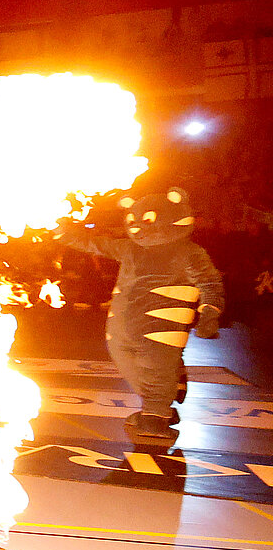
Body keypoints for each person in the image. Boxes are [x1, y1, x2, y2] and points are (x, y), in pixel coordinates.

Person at [59, 186, 225, 444]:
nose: (137, 227)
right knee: (131, 366)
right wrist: (63, 232)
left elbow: (210, 284)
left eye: (146, 221)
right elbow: (94, 243)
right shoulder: (129, 249)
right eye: (133, 221)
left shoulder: (188, 252)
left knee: (157, 368)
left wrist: (210, 312)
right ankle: (157, 409)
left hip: (161, 327)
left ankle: (155, 415)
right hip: (121, 329)